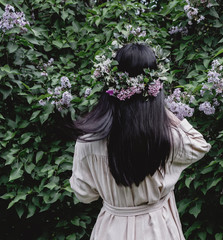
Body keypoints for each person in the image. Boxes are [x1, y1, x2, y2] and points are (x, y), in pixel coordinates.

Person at [69, 43, 211, 240]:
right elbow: (199, 145)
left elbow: (84, 194)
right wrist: (159, 109)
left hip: (111, 229)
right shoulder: (167, 135)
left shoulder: (89, 139)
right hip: (158, 228)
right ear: (155, 85)